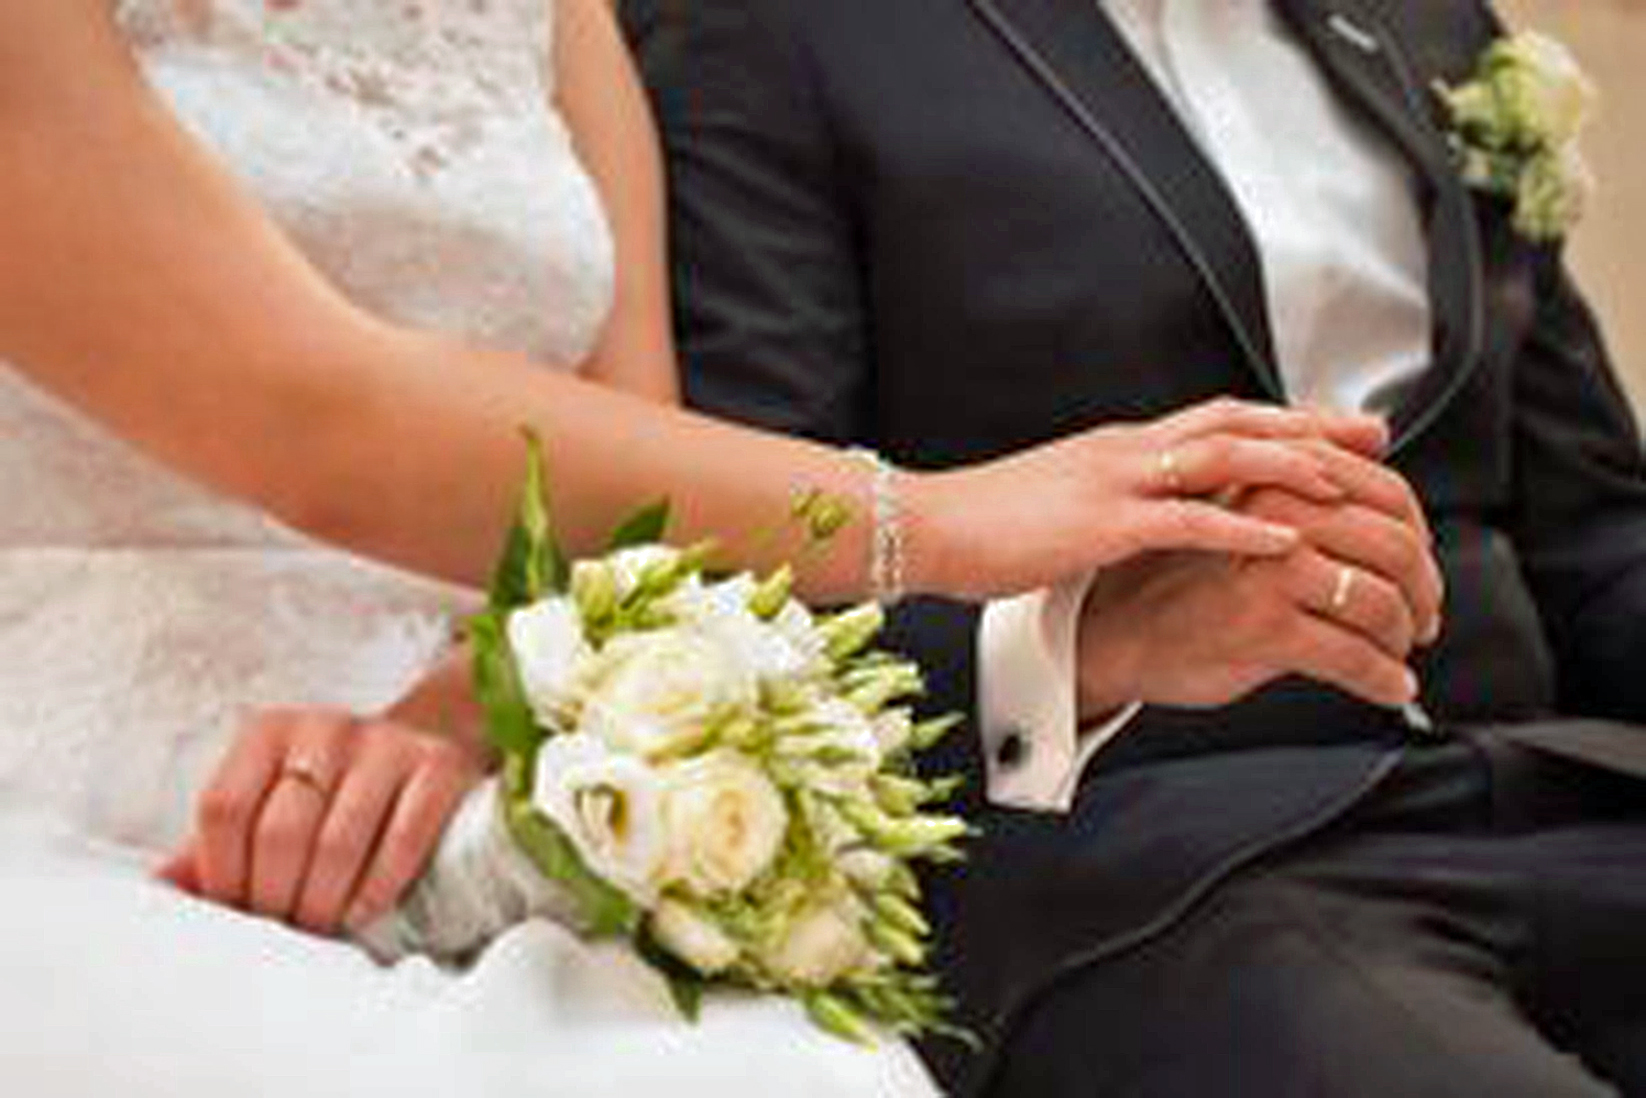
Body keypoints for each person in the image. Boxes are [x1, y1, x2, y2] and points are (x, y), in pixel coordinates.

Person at [0, 1, 1379, 1094]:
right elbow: (300, 412)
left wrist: (460, 715)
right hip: (79, 786)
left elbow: (617, 488)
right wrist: (944, 521)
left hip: (471, 780)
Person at [625, 0, 1646, 1094]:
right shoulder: (772, 33)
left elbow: (1590, 528)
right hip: (1163, 870)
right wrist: (1073, 641)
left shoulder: (1428, 22)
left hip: (1564, 795)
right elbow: (751, 599)